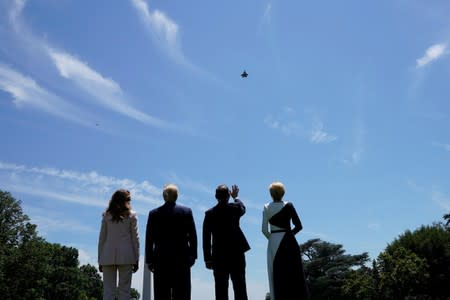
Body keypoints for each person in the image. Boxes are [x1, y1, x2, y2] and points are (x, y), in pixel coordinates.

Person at [145, 184, 197, 300]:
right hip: (182, 260)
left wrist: (149, 260)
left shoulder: (153, 214)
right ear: (177, 196)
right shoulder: (186, 212)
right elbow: (193, 237)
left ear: (164, 196)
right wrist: (192, 257)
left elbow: (149, 239)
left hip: (160, 260)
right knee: (182, 294)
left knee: (162, 294)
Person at [262, 182, 310, 300]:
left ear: (271, 193)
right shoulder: (289, 205)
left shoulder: (266, 207)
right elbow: (299, 226)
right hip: (290, 242)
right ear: (283, 193)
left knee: (276, 274)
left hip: (273, 242)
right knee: (294, 275)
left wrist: (273, 238)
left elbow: (264, 230)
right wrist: (288, 235)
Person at [203, 184, 250, 300]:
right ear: (228, 196)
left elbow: (206, 238)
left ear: (215, 196)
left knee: (220, 290)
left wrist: (207, 259)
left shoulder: (209, 214)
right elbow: (242, 207)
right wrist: (236, 197)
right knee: (240, 288)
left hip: (218, 256)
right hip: (237, 254)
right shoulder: (235, 208)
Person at [98, 189, 140, 300]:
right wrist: (136, 258)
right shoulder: (132, 216)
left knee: (108, 292)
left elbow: (102, 239)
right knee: (124, 291)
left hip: (107, 256)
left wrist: (100, 259)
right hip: (126, 256)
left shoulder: (107, 215)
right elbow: (135, 239)